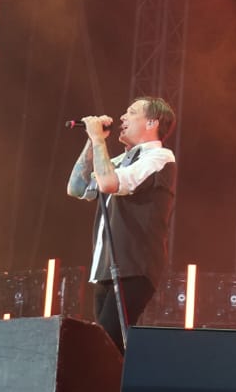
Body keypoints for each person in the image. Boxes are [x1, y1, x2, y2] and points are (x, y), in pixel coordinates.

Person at [66, 97, 177, 352]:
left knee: (104, 346)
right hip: (107, 268)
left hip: (135, 267)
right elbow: (77, 187)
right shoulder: (119, 161)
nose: (123, 118)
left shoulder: (159, 157)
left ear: (152, 122)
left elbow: (109, 183)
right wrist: (92, 141)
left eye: (132, 112)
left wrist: (98, 139)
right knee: (109, 350)